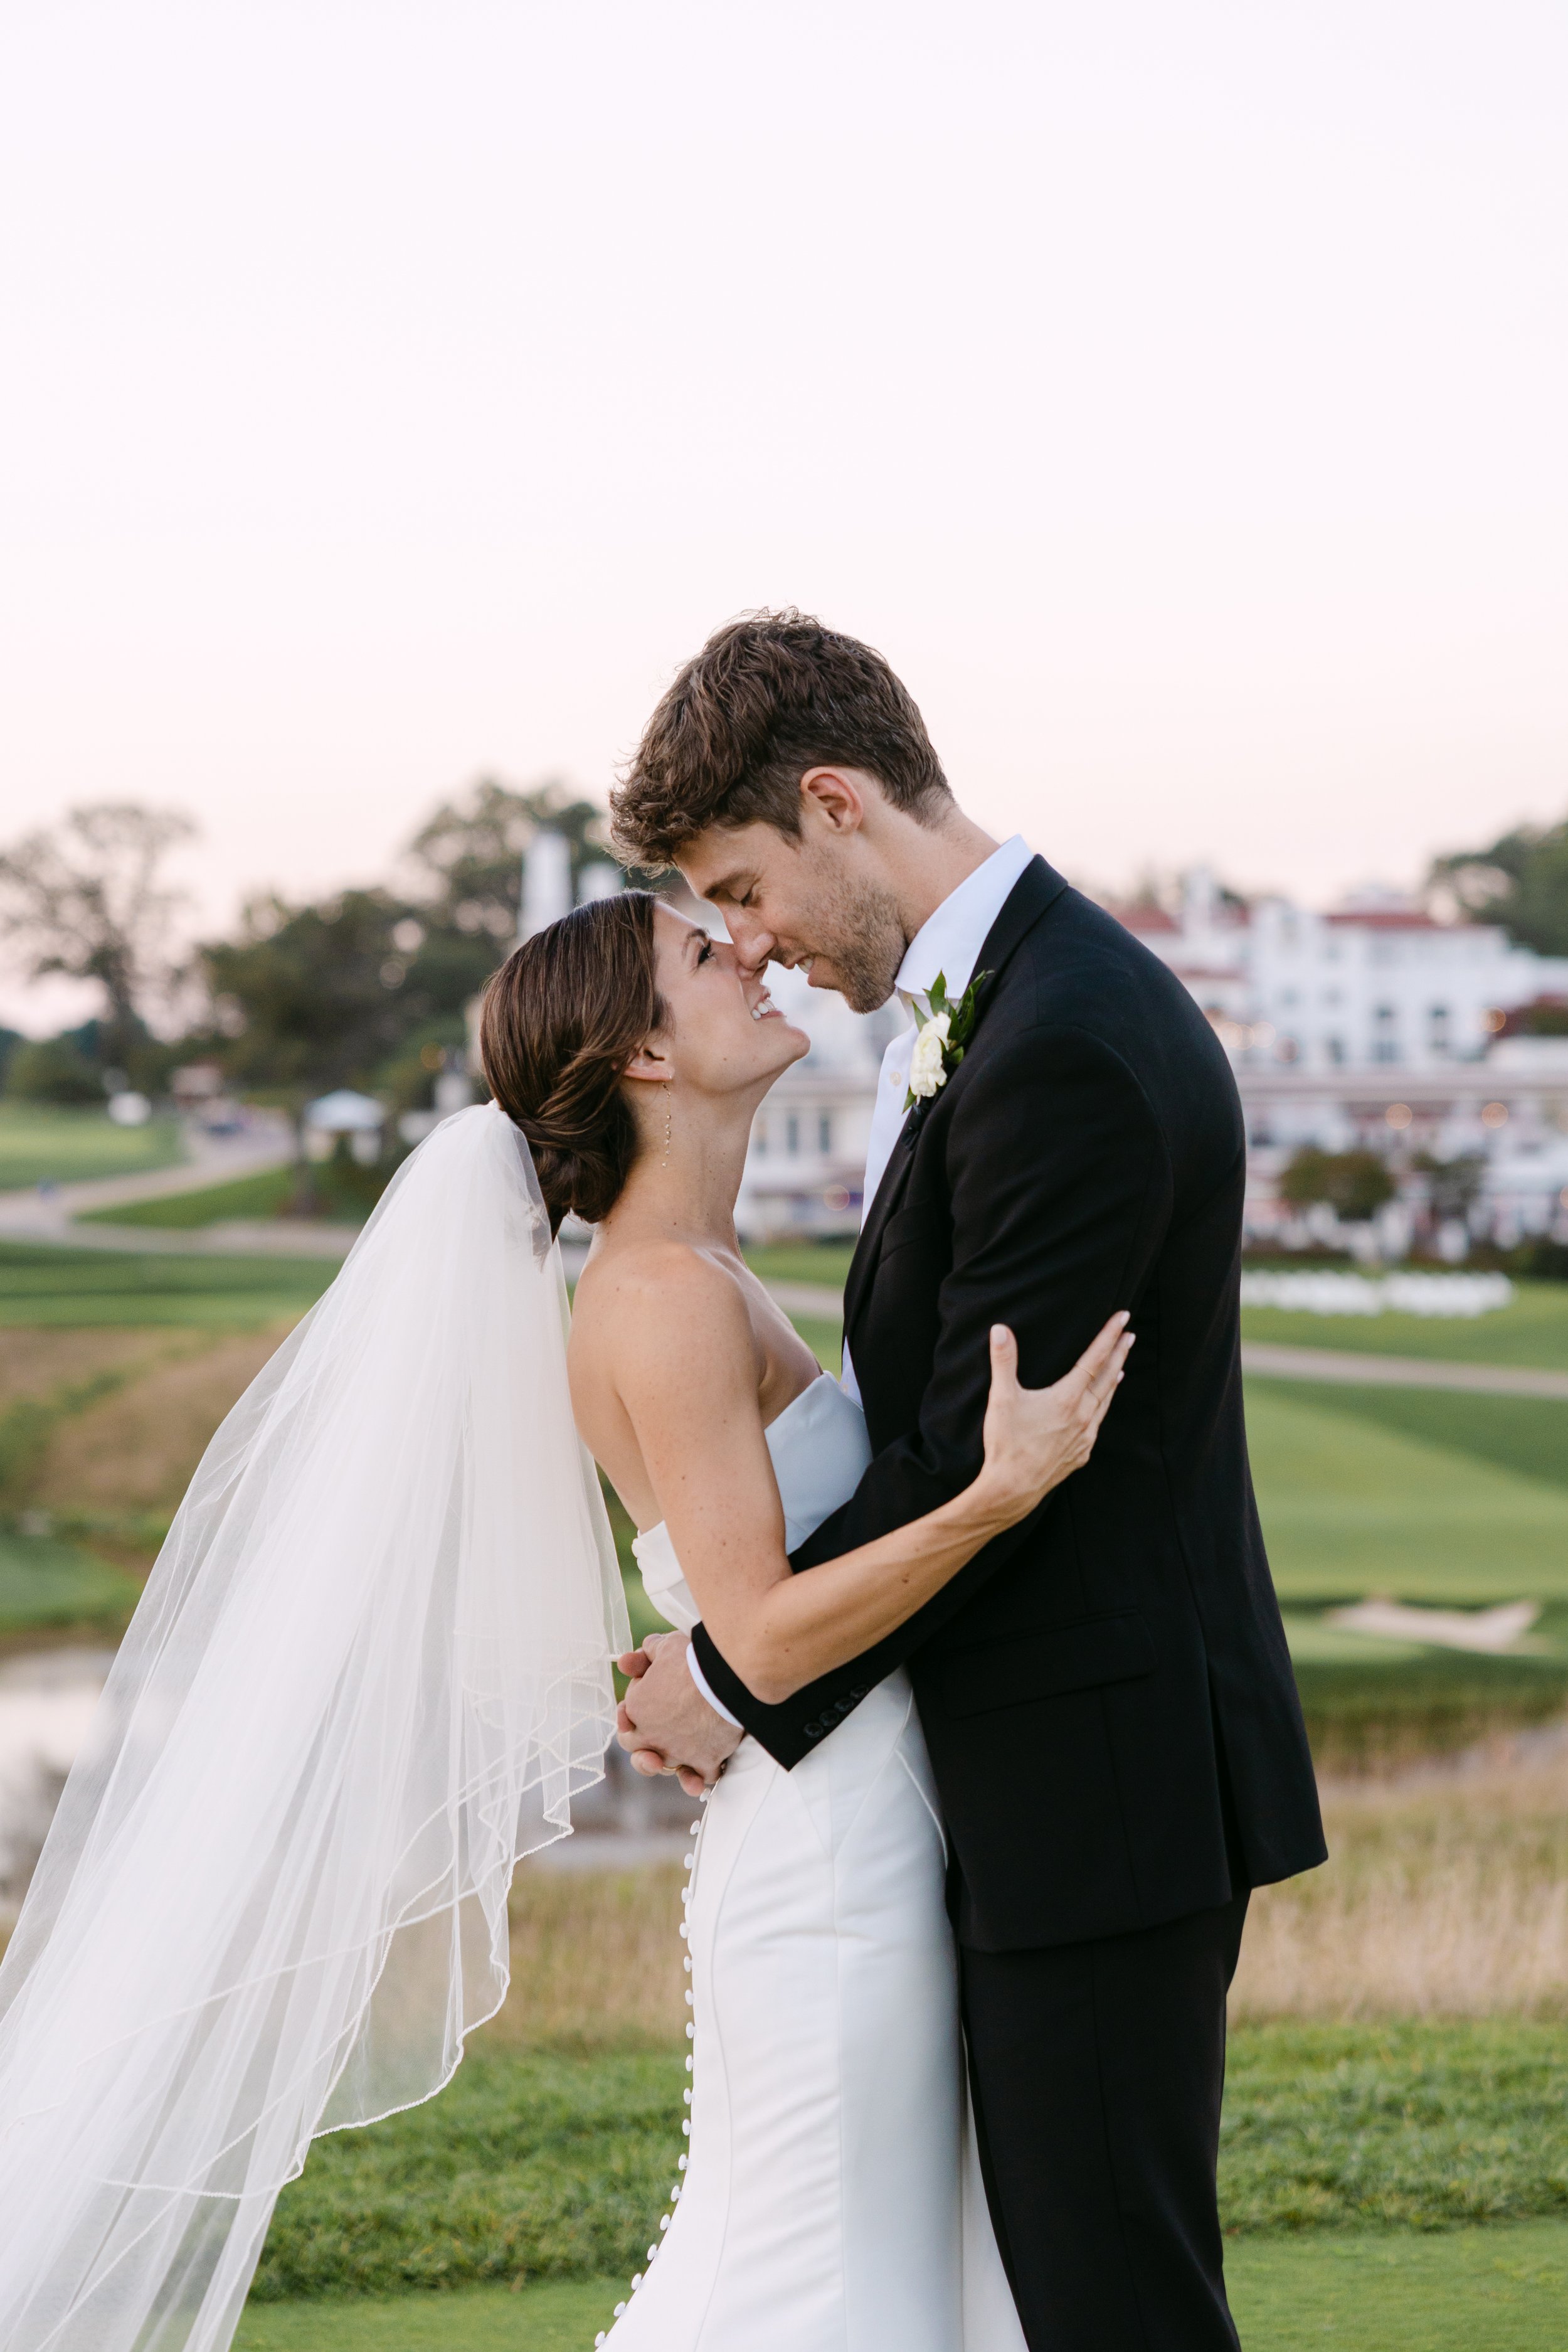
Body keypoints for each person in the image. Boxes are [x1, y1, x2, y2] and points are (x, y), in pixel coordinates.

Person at [607, 610, 1327, 2352]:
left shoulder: (1060, 1038)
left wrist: (732, 1668)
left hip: (1098, 1785)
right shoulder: (1005, 1009)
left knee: (1114, 2303)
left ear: (836, 801)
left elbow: (970, 1457)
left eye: (745, 883)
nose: (754, 942)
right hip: (1045, 1778)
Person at [482, 886, 1129, 2349]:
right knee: (825, 2289)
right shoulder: (658, 1298)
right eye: (705, 957)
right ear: (644, 1054)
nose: (753, 954)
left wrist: (703, 1664)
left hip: (868, 1826)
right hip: (828, 1869)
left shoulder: (702, 1270)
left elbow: (741, 1618)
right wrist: (993, 1495)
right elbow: (766, 1636)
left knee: (882, 2277)